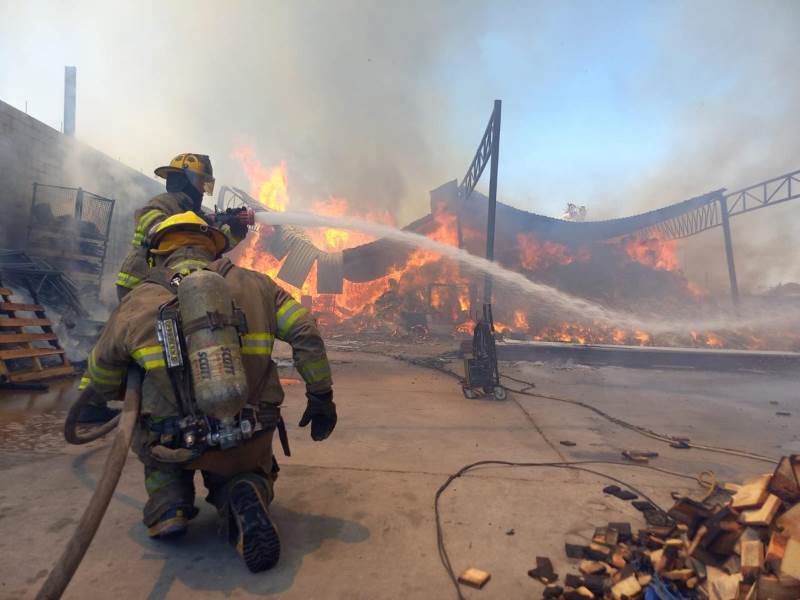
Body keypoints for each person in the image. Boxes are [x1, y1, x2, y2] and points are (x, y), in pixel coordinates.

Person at [78, 211, 336, 572]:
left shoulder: (137, 301)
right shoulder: (259, 285)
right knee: (248, 472)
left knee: (151, 442)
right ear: (213, 245)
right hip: (248, 431)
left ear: (158, 254)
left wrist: (96, 400)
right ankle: (243, 489)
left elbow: (102, 370)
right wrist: (320, 394)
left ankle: (169, 506)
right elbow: (306, 332)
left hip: (173, 442)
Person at [80, 154, 246, 424]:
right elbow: (165, 233)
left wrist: (233, 230)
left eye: (206, 185)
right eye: (201, 183)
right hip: (143, 282)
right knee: (121, 337)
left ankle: (180, 396)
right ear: (185, 180)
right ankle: (91, 401)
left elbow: (206, 247)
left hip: (172, 281)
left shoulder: (191, 213)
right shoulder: (162, 205)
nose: (203, 191)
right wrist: (206, 224)